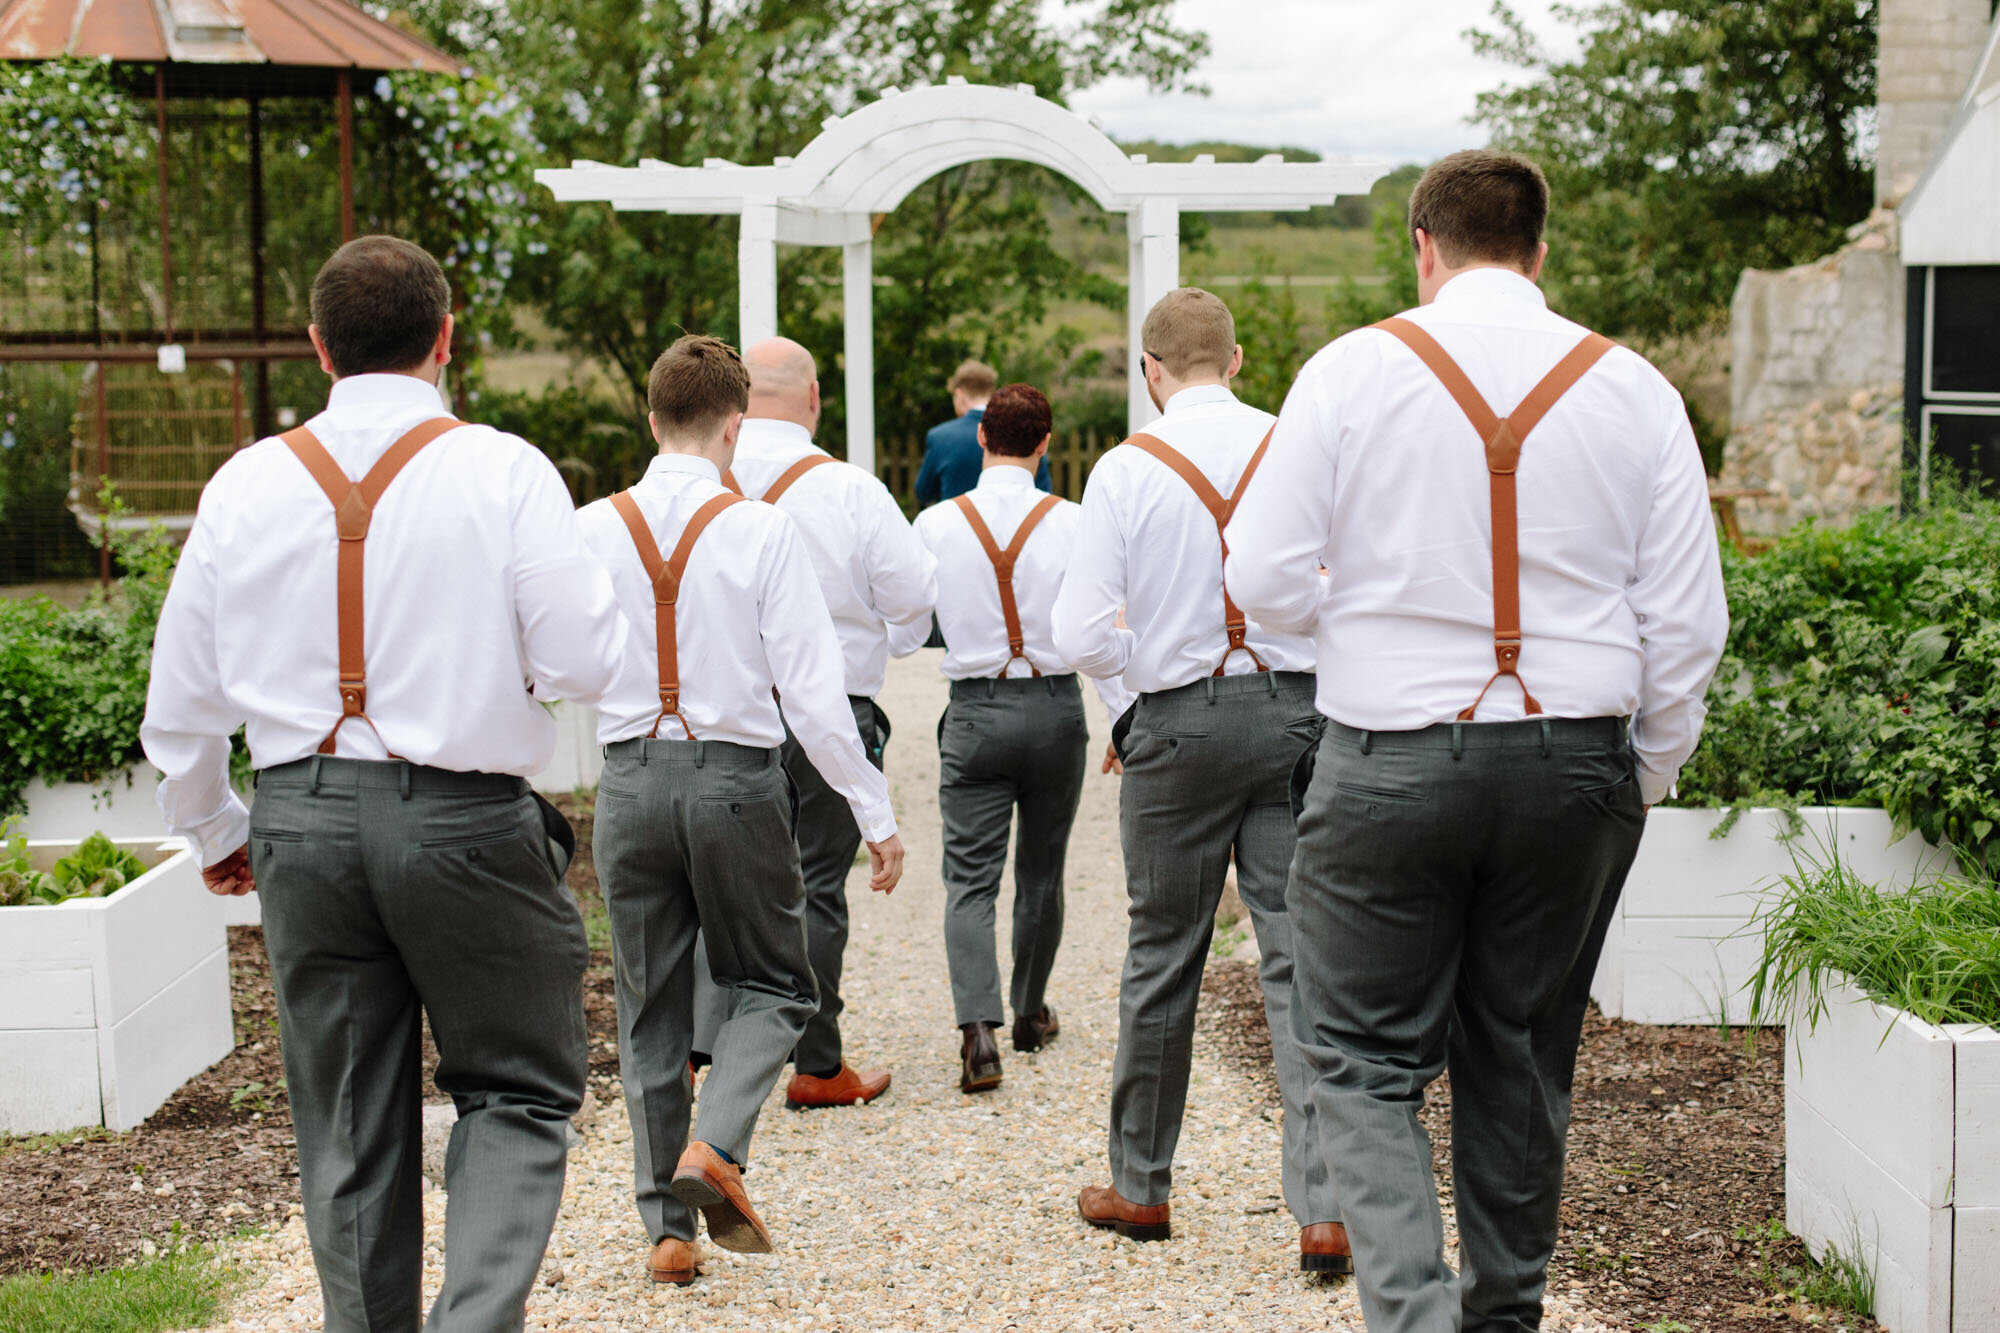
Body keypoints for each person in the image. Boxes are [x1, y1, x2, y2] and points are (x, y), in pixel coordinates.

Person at [1225, 150, 1728, 1330]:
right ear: (1539, 251)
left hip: (1389, 755)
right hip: (1575, 762)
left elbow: (1256, 575)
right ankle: (1500, 1316)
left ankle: (1412, 1317)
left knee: (1353, 1056)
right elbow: (1686, 621)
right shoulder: (1634, 388)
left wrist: (1350, 618)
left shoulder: (1349, 371)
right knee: (1517, 1051)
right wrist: (1638, 774)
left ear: (1422, 245)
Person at [141, 235, 628, 1332]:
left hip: (299, 824)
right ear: (446, 338)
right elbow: (585, 664)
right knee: (514, 1086)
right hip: (462, 823)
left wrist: (216, 825)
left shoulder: (245, 483)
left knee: (348, 1119)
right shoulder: (506, 470)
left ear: (320, 348)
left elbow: (178, 707)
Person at [578, 334, 906, 1284]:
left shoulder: (592, 526)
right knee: (776, 984)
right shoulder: (762, 531)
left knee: (648, 1009)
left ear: (650, 420)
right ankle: (714, 1148)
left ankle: (667, 1234)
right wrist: (874, 816)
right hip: (734, 779)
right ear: (735, 425)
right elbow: (815, 694)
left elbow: (549, 667)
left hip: (630, 781)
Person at [1050, 287, 1341, 1271]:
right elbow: (1341, 592)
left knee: (1161, 954)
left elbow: (1078, 634)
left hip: (1175, 727)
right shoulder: (1292, 448)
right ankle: (1325, 1206)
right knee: (1300, 958)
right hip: (1296, 716)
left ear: (1150, 371)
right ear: (1241, 359)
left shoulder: (1125, 469)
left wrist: (1141, 694)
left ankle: (1138, 1185)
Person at [689, 336, 937, 1109]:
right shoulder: (853, 491)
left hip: (725, 713)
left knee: (718, 887)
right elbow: (914, 597)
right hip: (835, 708)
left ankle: (707, 1057)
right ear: (815, 397)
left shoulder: (698, 484)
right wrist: (879, 646)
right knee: (818, 885)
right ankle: (818, 1065)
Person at [910, 383, 1133, 1094]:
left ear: (980, 438)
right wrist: (1125, 717)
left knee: (969, 879)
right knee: (1041, 871)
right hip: (1054, 709)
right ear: (1044, 444)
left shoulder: (936, 525)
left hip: (974, 713)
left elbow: (908, 625)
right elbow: (1102, 627)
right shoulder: (1073, 523)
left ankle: (978, 1034)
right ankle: (1031, 1010)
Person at [915, 359, 1052, 505]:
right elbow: (1043, 490)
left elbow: (923, 492)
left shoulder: (940, 437)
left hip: (954, 524)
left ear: (959, 395)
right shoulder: (1021, 427)